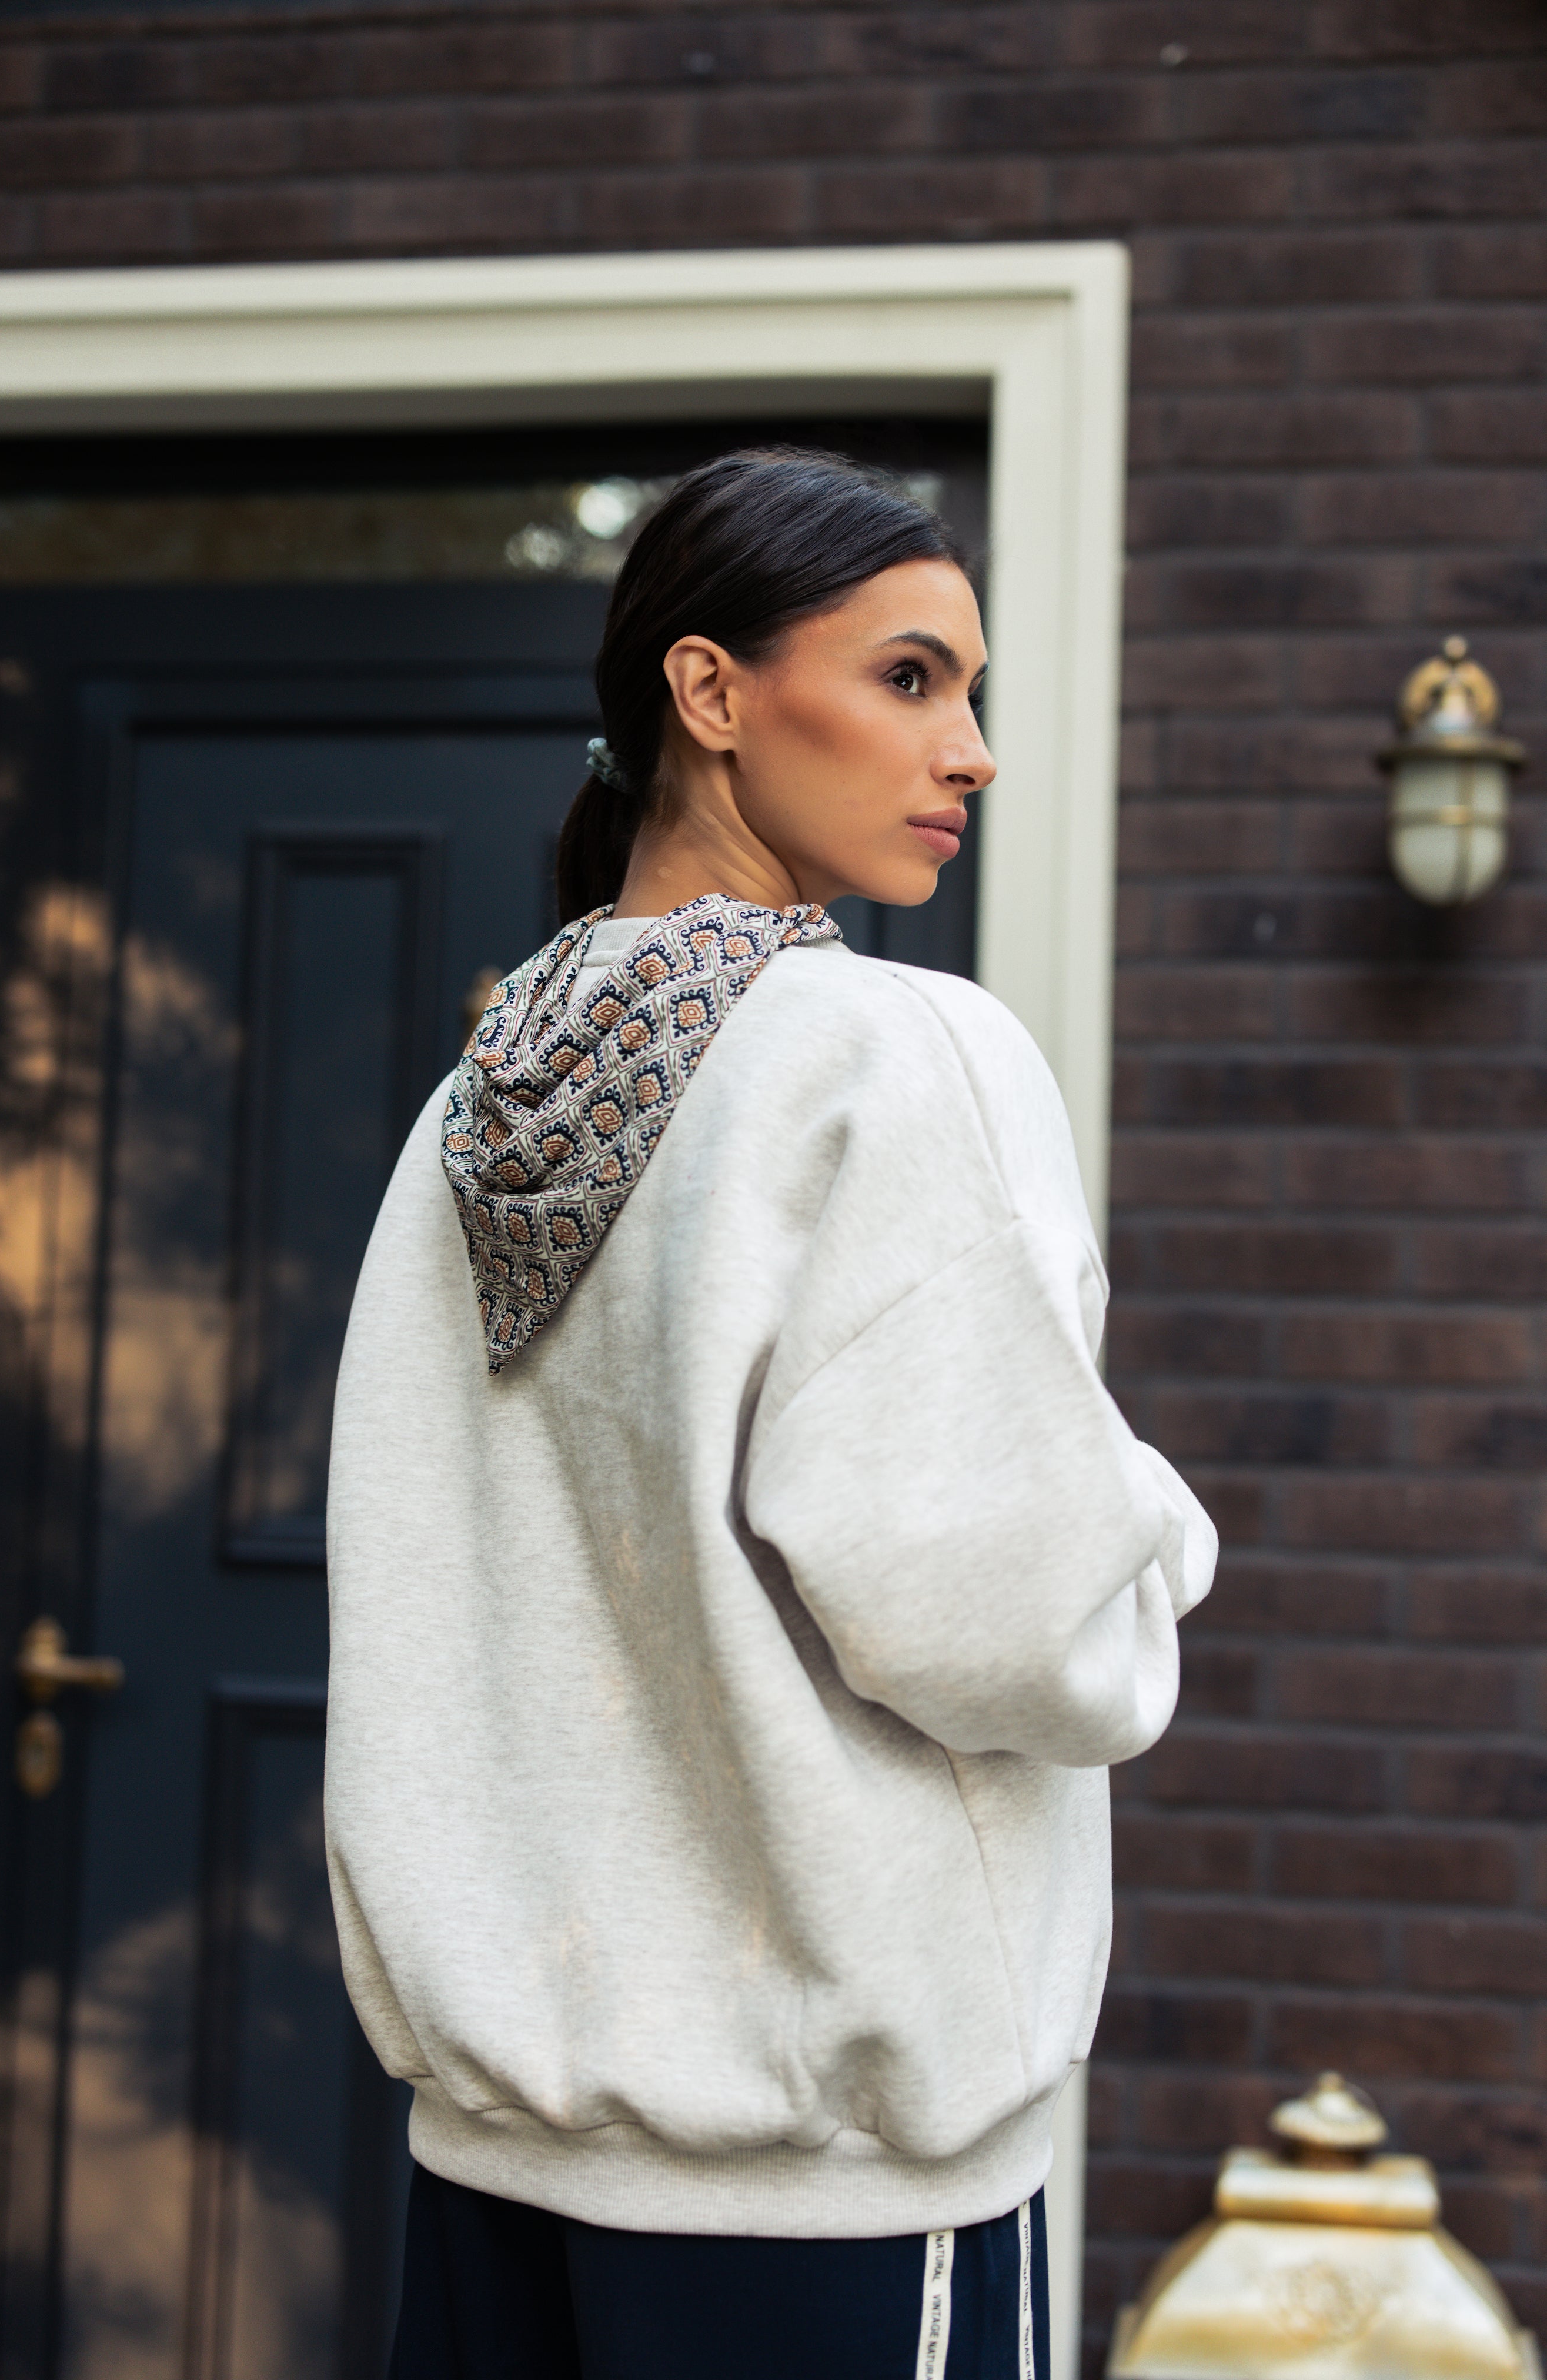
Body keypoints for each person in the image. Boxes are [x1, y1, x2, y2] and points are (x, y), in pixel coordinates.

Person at [325, 448, 1217, 2380]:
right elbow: (1020, 1625)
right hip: (810, 2192)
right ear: (710, 693)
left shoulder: (480, 1099)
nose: (970, 750)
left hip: (495, 2164)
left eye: (969, 690)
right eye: (907, 678)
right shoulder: (889, 1051)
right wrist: (1153, 1529)